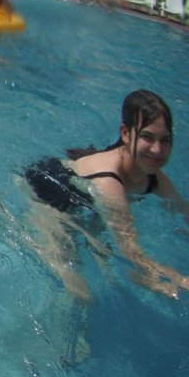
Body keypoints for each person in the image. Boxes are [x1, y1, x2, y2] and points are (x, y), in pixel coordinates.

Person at [21, 90, 189, 300]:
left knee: (103, 257)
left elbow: (183, 211)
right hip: (49, 194)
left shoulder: (153, 176)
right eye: (147, 137)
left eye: (165, 140)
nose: (157, 150)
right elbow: (129, 250)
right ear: (125, 133)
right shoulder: (109, 181)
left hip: (87, 201)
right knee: (79, 293)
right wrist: (180, 279)